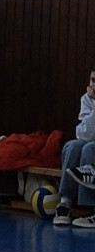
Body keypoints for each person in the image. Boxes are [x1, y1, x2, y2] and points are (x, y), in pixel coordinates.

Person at [53, 67, 95, 229]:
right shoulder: (86, 99)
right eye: (92, 80)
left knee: (88, 149)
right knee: (73, 146)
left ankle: (91, 207)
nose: (94, 85)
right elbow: (83, 135)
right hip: (91, 140)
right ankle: (65, 202)